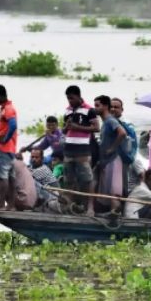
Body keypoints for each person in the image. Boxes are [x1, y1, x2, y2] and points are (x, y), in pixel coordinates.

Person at [62, 85, 99, 213]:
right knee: (69, 180)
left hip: (82, 151)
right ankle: (70, 206)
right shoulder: (67, 110)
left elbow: (96, 127)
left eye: (72, 98)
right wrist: (66, 127)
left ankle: (89, 207)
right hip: (68, 150)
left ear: (78, 96)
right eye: (68, 99)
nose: (70, 101)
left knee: (87, 181)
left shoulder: (89, 110)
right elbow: (64, 130)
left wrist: (77, 127)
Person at [94, 95, 128, 212]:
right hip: (106, 160)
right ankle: (111, 212)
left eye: (97, 106)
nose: (95, 108)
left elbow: (122, 133)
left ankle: (115, 215)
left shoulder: (110, 120)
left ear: (105, 106)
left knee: (114, 190)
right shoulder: (105, 122)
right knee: (107, 189)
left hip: (113, 159)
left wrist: (112, 148)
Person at [0, 85, 18, 210]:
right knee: (11, 178)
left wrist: (5, 139)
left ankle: (1, 204)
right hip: (11, 149)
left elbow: (13, 125)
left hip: (4, 149)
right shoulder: (7, 108)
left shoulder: (8, 109)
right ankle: (10, 205)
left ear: (1, 96)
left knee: (2, 177)